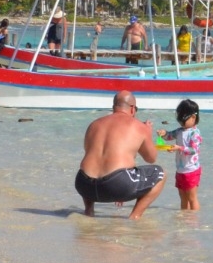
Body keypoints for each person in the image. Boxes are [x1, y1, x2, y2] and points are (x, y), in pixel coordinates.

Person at [75, 90, 165, 218]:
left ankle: (89, 211)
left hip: (84, 185)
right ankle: (135, 216)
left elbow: (90, 151)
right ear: (133, 109)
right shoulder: (139, 126)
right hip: (116, 185)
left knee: (91, 167)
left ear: (113, 108)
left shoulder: (94, 124)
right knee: (161, 173)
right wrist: (147, 132)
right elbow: (151, 158)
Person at [164, 99, 203, 211]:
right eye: (179, 120)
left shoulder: (194, 133)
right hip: (180, 170)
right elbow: (170, 136)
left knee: (192, 198)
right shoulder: (180, 131)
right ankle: (184, 221)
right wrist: (164, 134)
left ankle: (194, 221)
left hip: (191, 170)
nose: (181, 123)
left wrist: (178, 148)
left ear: (193, 118)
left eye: (183, 119)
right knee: (183, 198)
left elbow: (194, 150)